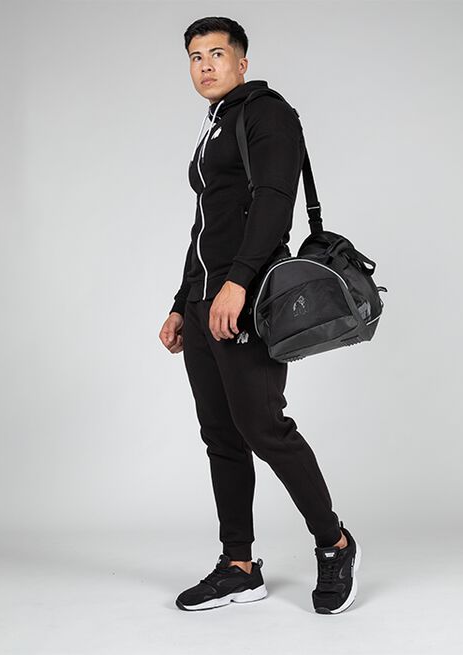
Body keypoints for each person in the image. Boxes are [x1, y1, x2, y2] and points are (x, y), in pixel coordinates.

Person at [158, 16, 361, 614]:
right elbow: (206, 226)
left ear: (242, 62)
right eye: (195, 56)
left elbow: (275, 203)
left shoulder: (267, 113)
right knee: (221, 434)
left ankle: (334, 542)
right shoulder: (216, 123)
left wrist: (237, 284)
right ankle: (239, 566)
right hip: (205, 301)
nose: (205, 66)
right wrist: (181, 303)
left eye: (216, 54)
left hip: (241, 299)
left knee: (262, 427)